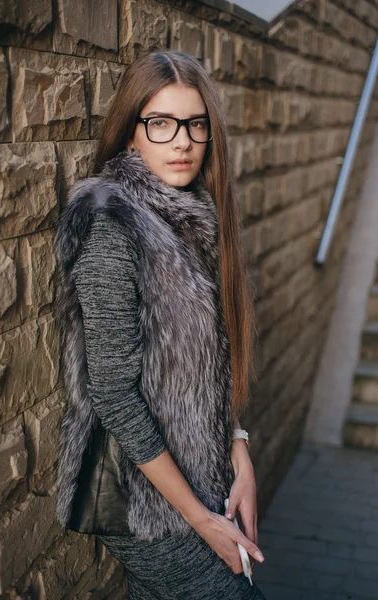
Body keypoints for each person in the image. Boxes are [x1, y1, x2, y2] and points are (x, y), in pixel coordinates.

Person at [53, 49, 267, 599]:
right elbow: (114, 394)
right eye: (161, 123)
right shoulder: (110, 221)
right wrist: (202, 520)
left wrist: (237, 447)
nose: (182, 141)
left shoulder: (192, 211)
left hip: (202, 472)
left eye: (195, 124)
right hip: (142, 497)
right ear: (131, 134)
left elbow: (211, 357)